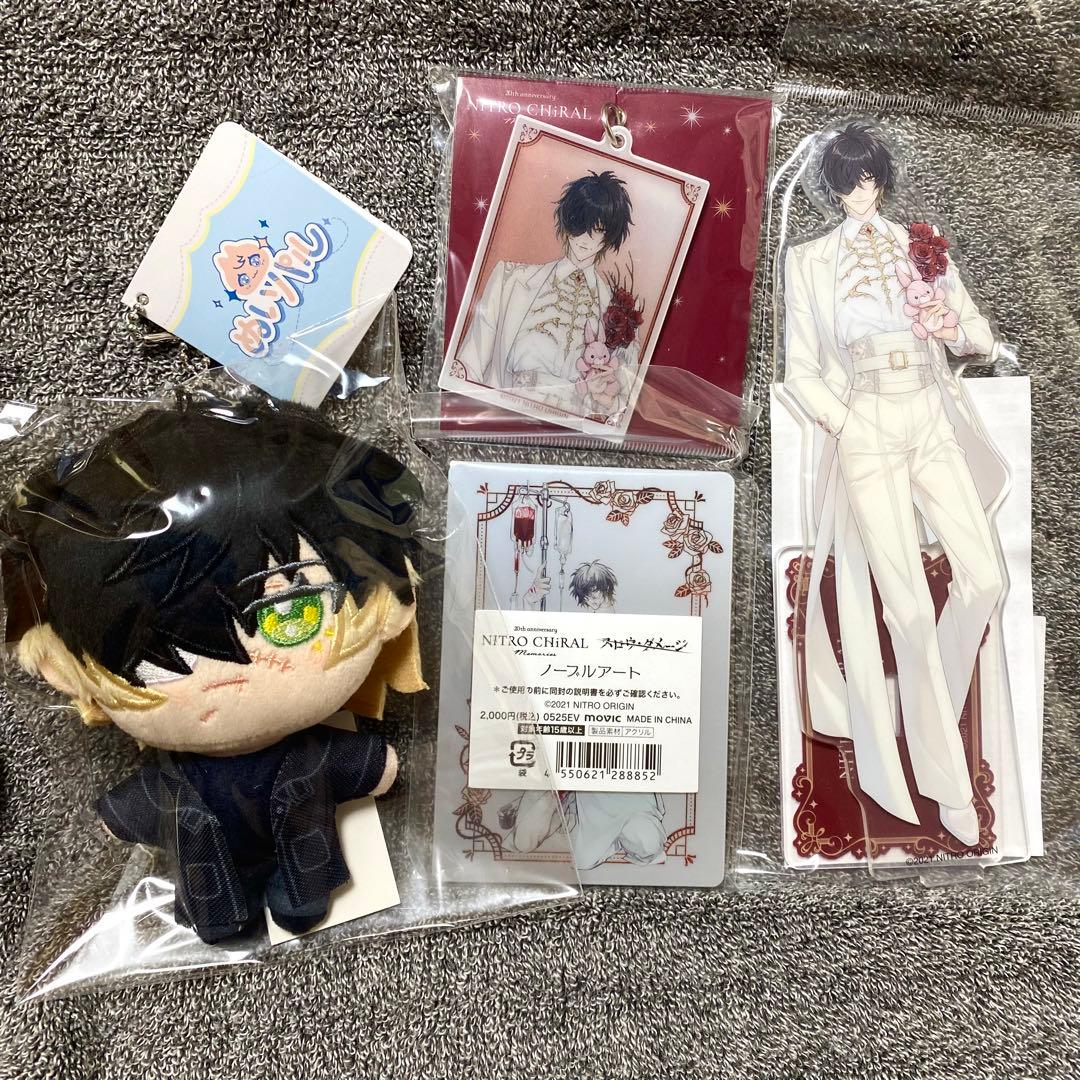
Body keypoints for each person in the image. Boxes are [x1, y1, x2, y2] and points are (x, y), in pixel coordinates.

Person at [8, 395, 426, 940]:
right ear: (64, 670)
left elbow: (373, 765)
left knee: (303, 900)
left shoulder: (305, 755)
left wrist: (381, 767)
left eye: (291, 614)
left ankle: (300, 895)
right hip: (205, 878)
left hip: (309, 866)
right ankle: (220, 913)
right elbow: (132, 810)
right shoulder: (175, 779)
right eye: (156, 662)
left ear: (388, 599)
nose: (235, 673)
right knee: (216, 910)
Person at [783, 123, 1008, 846]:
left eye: (870, 177)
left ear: (881, 178)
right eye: (847, 181)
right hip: (867, 423)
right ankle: (947, 786)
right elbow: (799, 369)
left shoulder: (921, 242)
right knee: (906, 612)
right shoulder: (809, 260)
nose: (861, 191)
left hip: (930, 414)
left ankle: (924, 706)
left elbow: (976, 333)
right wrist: (845, 423)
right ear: (831, 187)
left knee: (986, 580)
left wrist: (949, 326)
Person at [501, 556, 667, 868]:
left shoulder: (628, 631)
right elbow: (527, 645)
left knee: (644, 842)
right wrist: (530, 601)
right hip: (564, 740)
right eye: (587, 592)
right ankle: (558, 806)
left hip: (613, 752)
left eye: (597, 590)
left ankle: (573, 812)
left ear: (607, 590)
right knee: (524, 841)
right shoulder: (572, 627)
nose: (593, 597)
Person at [453, 171, 633, 408]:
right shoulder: (510, 279)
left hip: (573, 423)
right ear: (567, 222)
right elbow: (472, 360)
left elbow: (622, 399)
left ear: (610, 237)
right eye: (579, 225)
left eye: (598, 230)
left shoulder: (617, 309)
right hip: (502, 410)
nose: (586, 238)